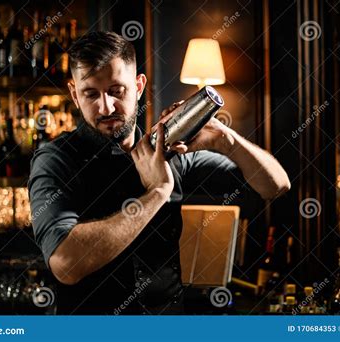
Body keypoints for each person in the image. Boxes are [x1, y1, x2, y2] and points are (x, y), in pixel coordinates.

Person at [28, 31, 290, 314]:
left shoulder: (168, 151)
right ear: (74, 95)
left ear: (139, 86)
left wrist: (226, 140)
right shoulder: (56, 160)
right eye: (91, 93)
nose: (106, 107)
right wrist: (157, 193)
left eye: (117, 91)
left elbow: (275, 185)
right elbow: (66, 264)